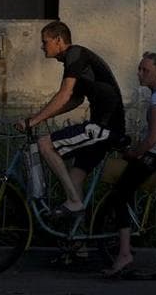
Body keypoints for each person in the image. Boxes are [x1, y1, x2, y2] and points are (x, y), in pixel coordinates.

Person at [17, 21, 125, 219]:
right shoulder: (75, 59)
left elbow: (64, 95)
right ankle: (79, 244)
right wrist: (40, 118)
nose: (42, 47)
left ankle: (74, 203)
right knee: (75, 180)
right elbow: (74, 100)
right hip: (103, 129)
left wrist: (33, 121)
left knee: (45, 144)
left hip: (103, 128)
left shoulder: (75, 54)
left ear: (58, 40)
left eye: (45, 42)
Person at [101, 51, 156, 277]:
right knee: (127, 188)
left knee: (119, 194)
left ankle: (124, 253)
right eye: (139, 68)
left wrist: (132, 153)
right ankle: (125, 240)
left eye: (145, 70)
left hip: (153, 156)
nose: (139, 73)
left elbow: (152, 138)